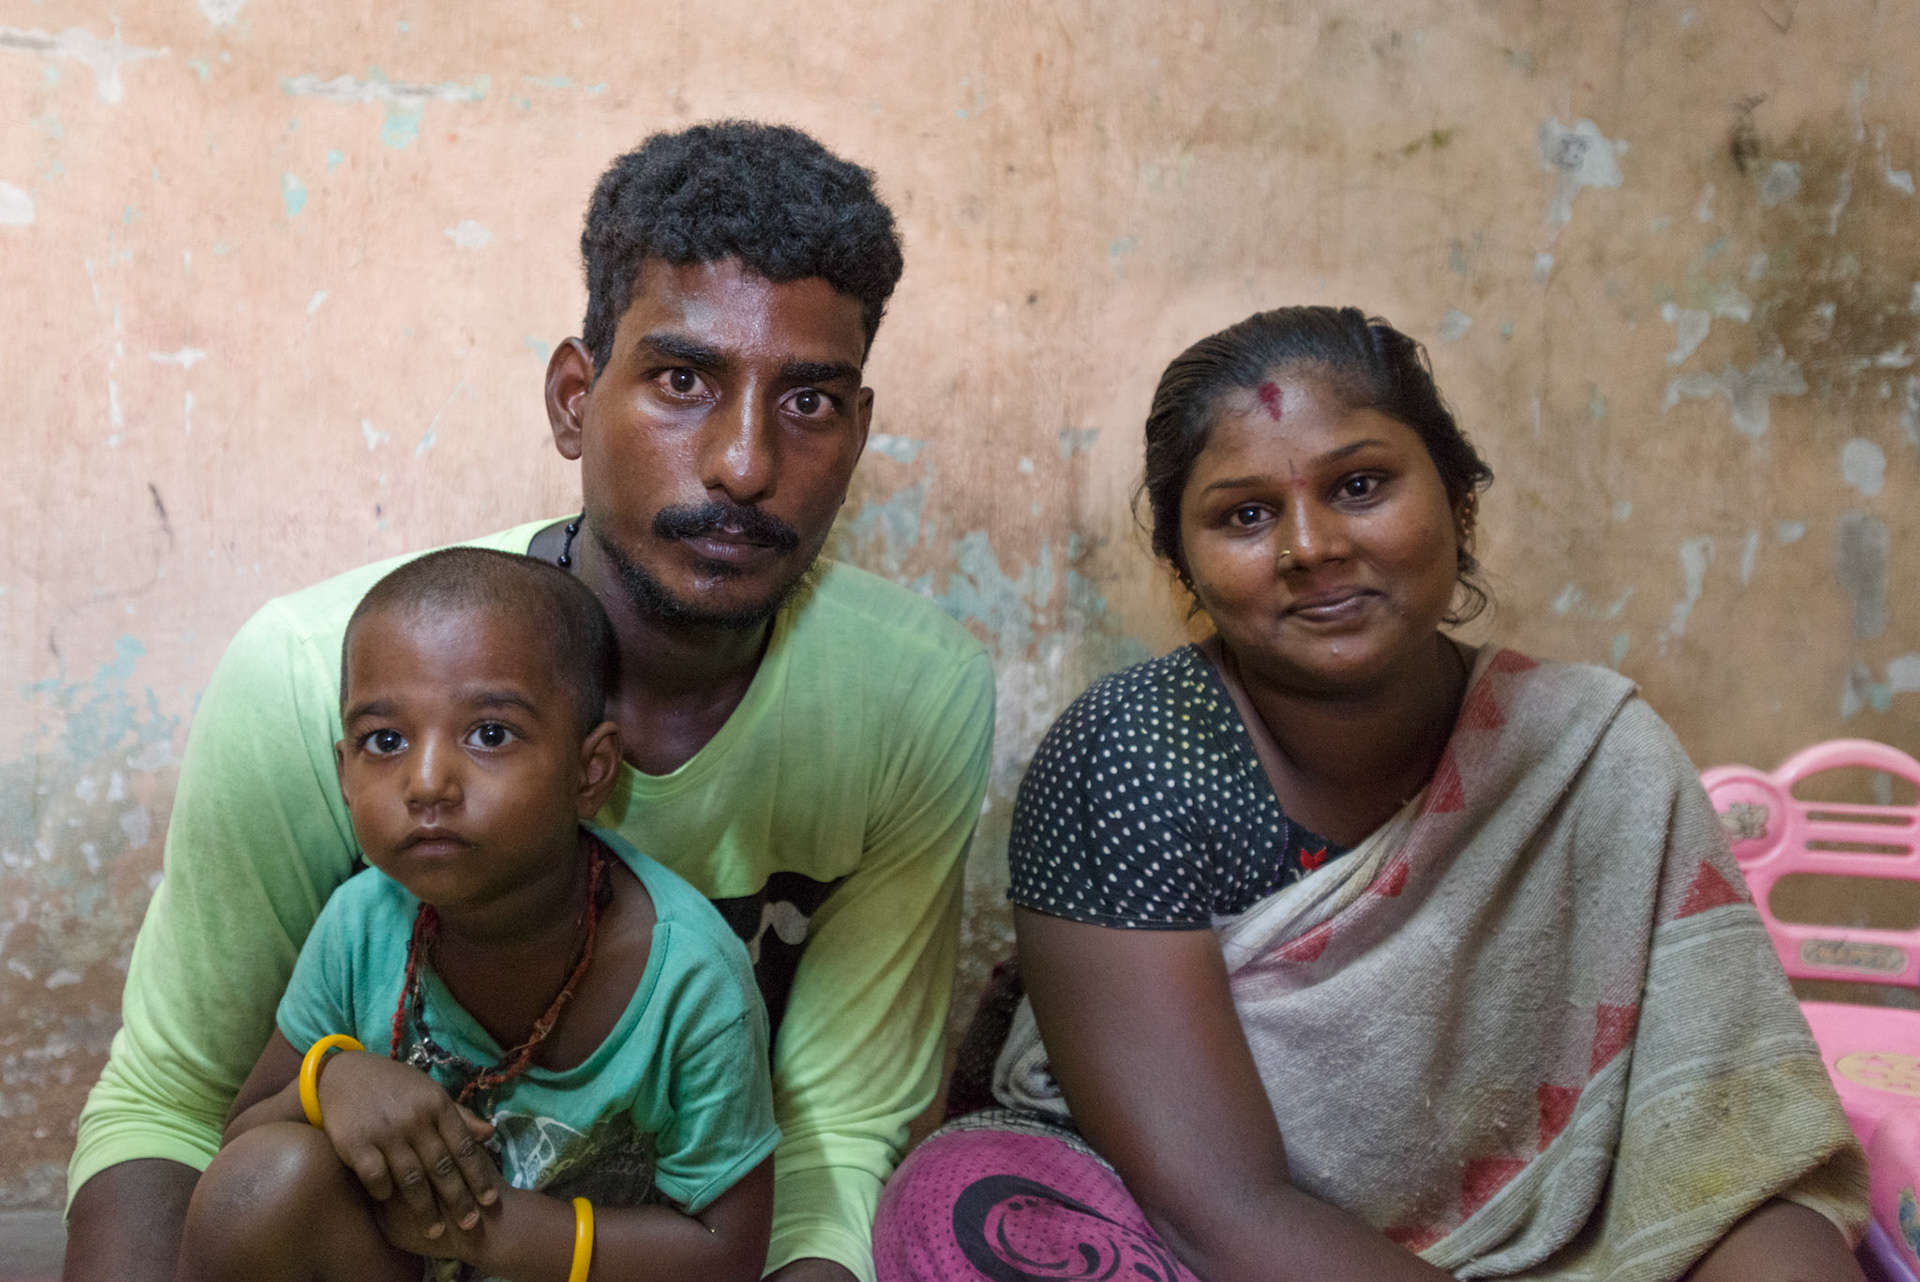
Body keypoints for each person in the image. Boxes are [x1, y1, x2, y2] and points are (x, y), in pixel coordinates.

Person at [65, 121, 995, 1282]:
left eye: (807, 402)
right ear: (573, 398)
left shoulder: (912, 696)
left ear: (857, 435)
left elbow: (834, 1132)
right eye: (681, 380)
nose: (745, 463)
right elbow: (172, 1101)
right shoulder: (320, 676)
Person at [873, 306, 1868, 1281]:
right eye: (1246, 515)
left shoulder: (1592, 753)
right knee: (967, 1208)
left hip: (1563, 1233)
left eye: (1359, 485)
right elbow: (1221, 1207)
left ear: (1459, 502)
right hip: (1195, 1232)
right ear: (1187, 567)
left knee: (1778, 1226)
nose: (1310, 547)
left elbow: (1714, 1142)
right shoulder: (1130, 758)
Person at [178, 547, 781, 1282]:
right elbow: (238, 1145)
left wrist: (496, 1229)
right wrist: (330, 1081)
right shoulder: (360, 925)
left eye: (490, 734)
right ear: (344, 773)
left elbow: (730, 1251)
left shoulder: (690, 981)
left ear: (590, 771)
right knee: (261, 1182)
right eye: (385, 741)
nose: (427, 781)